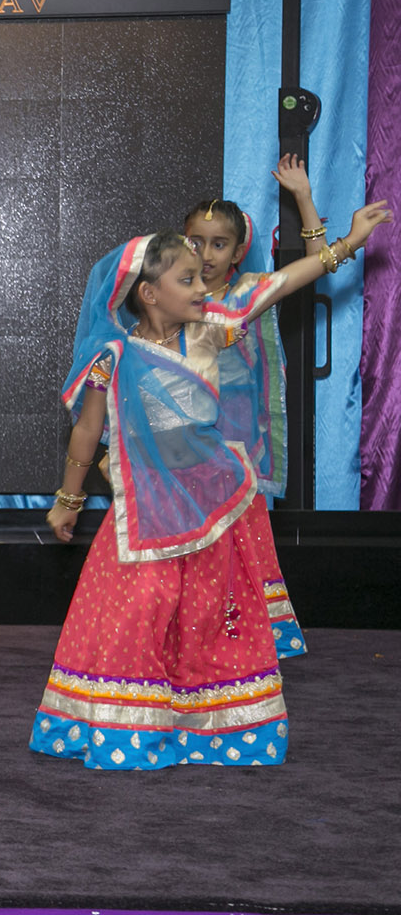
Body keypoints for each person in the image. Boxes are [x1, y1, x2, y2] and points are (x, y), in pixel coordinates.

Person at [36, 200, 390, 769]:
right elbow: (88, 431)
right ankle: (127, 729)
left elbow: (279, 284)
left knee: (207, 616)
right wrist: (67, 500)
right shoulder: (113, 355)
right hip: (147, 513)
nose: (203, 284)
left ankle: (209, 728)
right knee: (141, 609)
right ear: (148, 293)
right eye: (187, 278)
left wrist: (345, 245)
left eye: (204, 275)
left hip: (212, 506)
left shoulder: (213, 331)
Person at [179, 154, 326, 658]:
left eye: (219, 243)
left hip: (240, 448)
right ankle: (194, 637)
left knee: (240, 546)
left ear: (239, 250)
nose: (207, 253)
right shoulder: (172, 298)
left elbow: (317, 264)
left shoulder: (248, 292)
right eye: (196, 242)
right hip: (188, 449)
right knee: (192, 546)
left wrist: (302, 198)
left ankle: (242, 639)